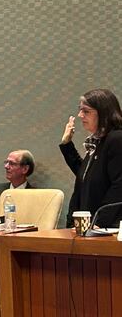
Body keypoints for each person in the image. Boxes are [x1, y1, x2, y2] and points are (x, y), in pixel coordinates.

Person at [59, 89, 122, 228]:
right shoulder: (98, 141)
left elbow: (119, 186)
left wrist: (99, 222)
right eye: (80, 110)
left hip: (106, 227)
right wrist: (67, 145)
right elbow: (86, 176)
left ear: (104, 113)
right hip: (89, 225)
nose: (80, 115)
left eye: (86, 111)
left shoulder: (116, 139)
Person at [0, 150, 36, 219]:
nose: (6, 166)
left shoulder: (35, 196)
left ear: (25, 169)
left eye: (12, 163)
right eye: (6, 162)